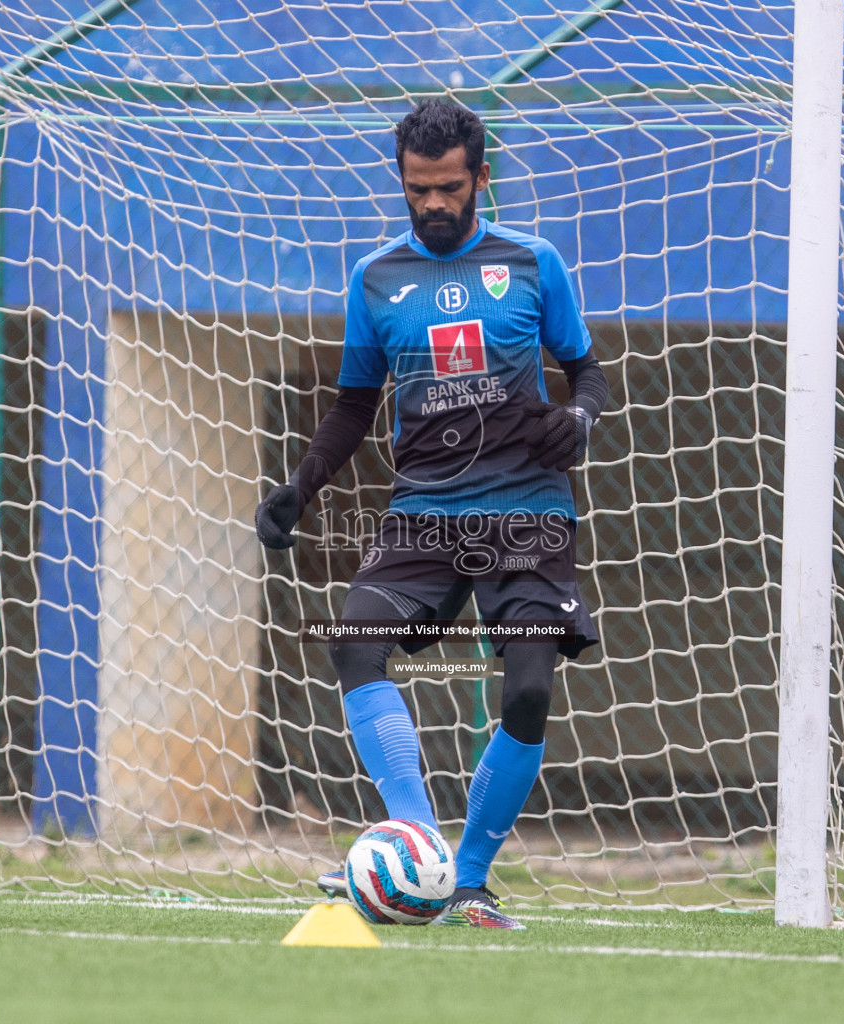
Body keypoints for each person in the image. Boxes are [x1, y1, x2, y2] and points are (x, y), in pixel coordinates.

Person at [255, 98, 610, 930]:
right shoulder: (375, 277)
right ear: (403, 183)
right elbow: (352, 406)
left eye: (450, 187)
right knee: (353, 643)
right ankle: (418, 841)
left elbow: (588, 375)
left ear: (481, 178)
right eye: (418, 190)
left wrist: (580, 421)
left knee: (526, 691)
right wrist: (300, 487)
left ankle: (470, 880)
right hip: (424, 514)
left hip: (527, 513)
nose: (434, 205)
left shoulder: (532, 262)